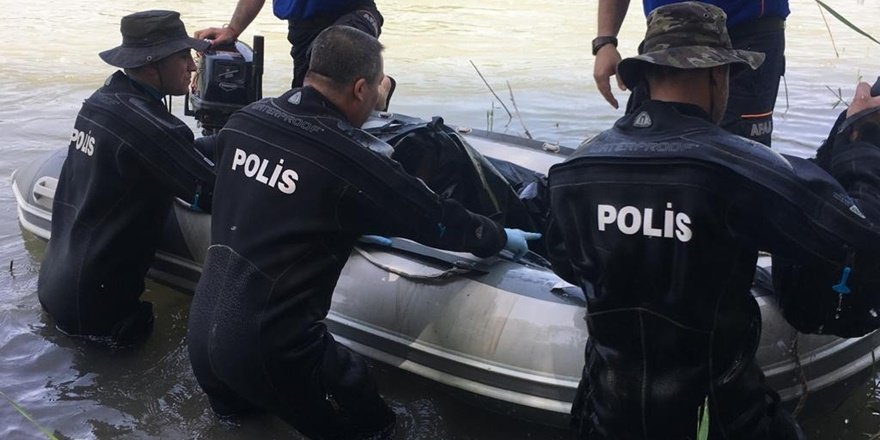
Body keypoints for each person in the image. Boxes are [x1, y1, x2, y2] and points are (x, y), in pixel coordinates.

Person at [187, 25, 539, 439]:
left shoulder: (246, 120)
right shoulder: (351, 159)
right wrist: (500, 237)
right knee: (376, 425)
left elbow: (208, 171)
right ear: (359, 89)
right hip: (272, 349)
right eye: (376, 88)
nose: (378, 97)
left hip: (203, 336)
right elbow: (437, 219)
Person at [547, 2, 880, 439]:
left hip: (606, 418)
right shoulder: (743, 167)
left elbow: (565, 262)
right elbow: (859, 233)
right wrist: (858, 140)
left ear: (644, 77)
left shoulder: (575, 169)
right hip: (719, 420)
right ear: (717, 75)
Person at [37, 10, 216, 345]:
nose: (192, 67)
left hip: (54, 286)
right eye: (183, 57)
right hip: (97, 314)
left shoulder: (101, 101)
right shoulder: (152, 129)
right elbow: (211, 190)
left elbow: (158, 149)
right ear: (152, 65)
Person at [592, 0, 788, 146]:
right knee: (644, 141)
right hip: (664, 32)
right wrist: (605, 40)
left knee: (740, 153)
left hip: (746, 30)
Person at [194, 0, 395, 110]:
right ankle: (380, 85)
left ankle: (377, 85)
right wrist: (232, 30)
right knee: (308, 105)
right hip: (302, 27)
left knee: (334, 79)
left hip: (354, 11)